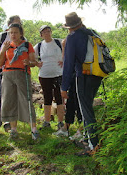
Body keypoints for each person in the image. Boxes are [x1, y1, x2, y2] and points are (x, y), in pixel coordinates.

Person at [61, 12, 103, 156]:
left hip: (84, 75)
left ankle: (93, 146)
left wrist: (64, 86)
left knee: (86, 110)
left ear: (69, 27)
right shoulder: (93, 33)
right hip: (97, 74)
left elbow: (68, 64)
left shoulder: (72, 37)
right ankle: (87, 139)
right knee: (87, 107)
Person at [0, 23, 40, 140]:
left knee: (26, 99)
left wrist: (28, 63)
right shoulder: (6, 46)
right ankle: (13, 130)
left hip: (22, 73)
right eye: (11, 33)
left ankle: (34, 129)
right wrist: (3, 51)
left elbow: (33, 62)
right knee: (10, 100)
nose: (13, 35)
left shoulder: (27, 45)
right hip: (7, 74)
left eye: (15, 32)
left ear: (21, 33)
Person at [0, 15, 23, 138]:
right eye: (16, 23)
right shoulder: (1, 37)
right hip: (2, 72)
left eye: (19, 24)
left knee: (12, 99)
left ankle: (8, 125)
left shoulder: (23, 39)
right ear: (9, 25)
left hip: (16, 74)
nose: (18, 26)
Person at [34, 25, 64, 130]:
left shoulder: (59, 42)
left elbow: (69, 51)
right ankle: (47, 122)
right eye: (44, 32)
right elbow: (31, 58)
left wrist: (64, 60)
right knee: (47, 98)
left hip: (58, 74)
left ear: (51, 32)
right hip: (44, 75)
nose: (47, 33)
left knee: (59, 97)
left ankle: (60, 122)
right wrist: (36, 63)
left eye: (48, 31)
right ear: (41, 35)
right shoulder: (38, 46)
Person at [53, 38, 83, 138]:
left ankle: (82, 130)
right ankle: (66, 128)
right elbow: (65, 61)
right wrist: (64, 47)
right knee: (70, 103)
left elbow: (67, 63)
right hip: (73, 77)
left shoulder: (79, 43)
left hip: (81, 76)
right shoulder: (70, 45)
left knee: (80, 104)